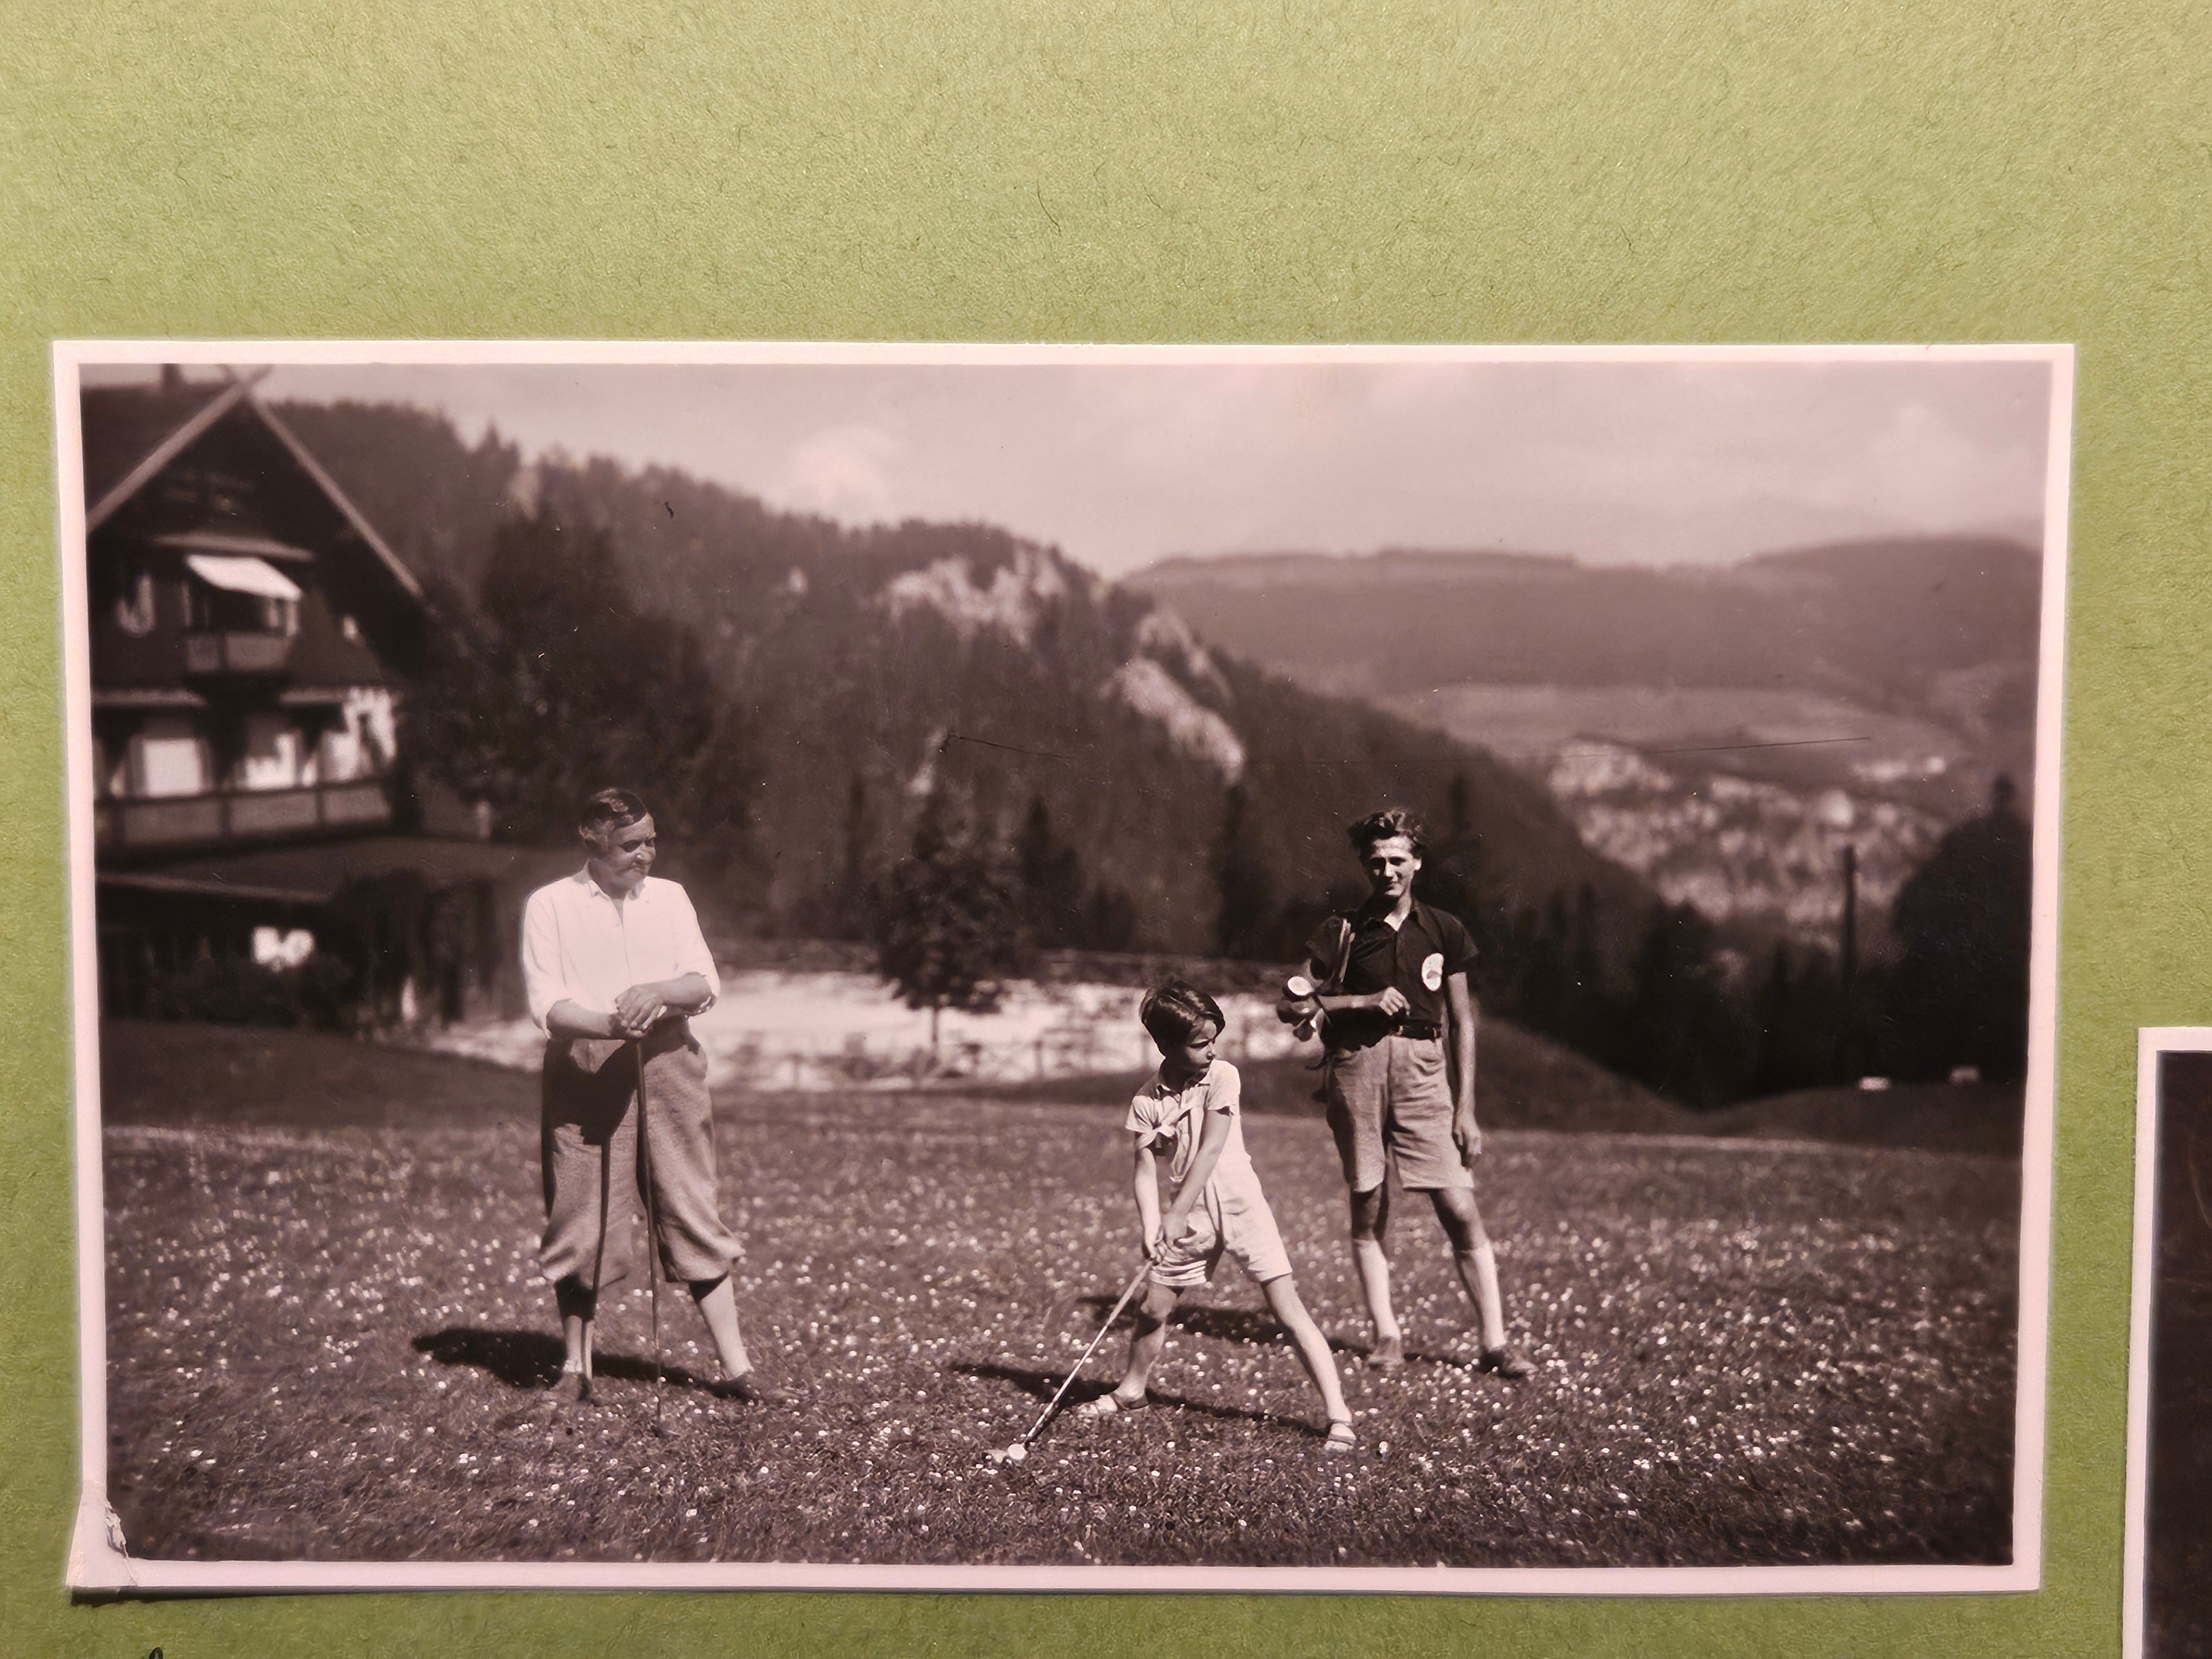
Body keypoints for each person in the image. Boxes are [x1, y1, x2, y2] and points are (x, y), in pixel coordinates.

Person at [519, 786, 786, 1406]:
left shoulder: (670, 898)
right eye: (631, 845)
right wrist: (609, 1024)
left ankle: (738, 1370)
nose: (646, 855)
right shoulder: (551, 905)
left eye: (652, 842)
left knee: (691, 1207)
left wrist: (658, 991)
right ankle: (575, 1369)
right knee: (581, 1216)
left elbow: (704, 982)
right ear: (593, 842)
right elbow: (548, 1006)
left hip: (669, 1063)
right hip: (585, 1069)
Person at [1281, 808, 1532, 1380]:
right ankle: (1386, 1334)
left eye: (1397, 860)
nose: (1387, 872)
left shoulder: (1444, 929)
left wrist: (1466, 1109)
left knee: (1459, 1206)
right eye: (1376, 862)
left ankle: (1494, 1343)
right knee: (1369, 1203)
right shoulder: (1342, 930)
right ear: (1364, 866)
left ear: (1417, 862)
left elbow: (1462, 1022)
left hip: (1424, 1071)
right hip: (1357, 1069)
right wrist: (1359, 1002)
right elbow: (1289, 1005)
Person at [1074, 980, 1357, 1452]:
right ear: (1166, 1046)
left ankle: (1339, 1417)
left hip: (1243, 1207)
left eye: (1213, 1040)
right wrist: (1152, 1225)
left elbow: (1209, 1150)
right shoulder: (1146, 1101)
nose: (1212, 1050)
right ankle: (1131, 1391)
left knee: (1288, 1310)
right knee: (1153, 1308)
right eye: (1200, 1043)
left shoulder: (1223, 1076)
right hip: (1192, 1219)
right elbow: (1144, 1169)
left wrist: (1175, 1213)